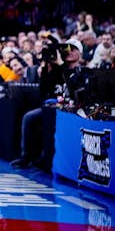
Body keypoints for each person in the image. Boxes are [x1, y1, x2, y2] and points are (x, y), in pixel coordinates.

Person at [11, 37, 85, 171]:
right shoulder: (56, 69)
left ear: (80, 53)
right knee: (29, 117)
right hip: (51, 108)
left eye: (73, 49)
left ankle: (46, 157)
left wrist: (59, 64)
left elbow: (75, 89)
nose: (69, 52)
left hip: (72, 110)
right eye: (66, 49)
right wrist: (45, 69)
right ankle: (26, 156)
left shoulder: (82, 71)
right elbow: (44, 92)